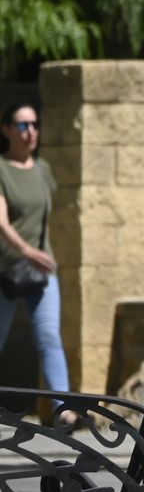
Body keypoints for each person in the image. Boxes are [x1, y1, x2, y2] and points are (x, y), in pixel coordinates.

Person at [0, 103, 82, 428]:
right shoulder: (2, 169)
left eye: (34, 124)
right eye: (22, 125)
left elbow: (42, 220)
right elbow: (2, 222)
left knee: (49, 336)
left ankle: (64, 412)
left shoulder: (43, 169)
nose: (30, 131)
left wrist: (41, 251)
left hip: (42, 269)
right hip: (6, 269)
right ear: (6, 130)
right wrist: (26, 251)